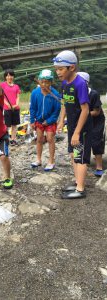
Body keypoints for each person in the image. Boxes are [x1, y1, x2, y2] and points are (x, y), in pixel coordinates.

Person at [54, 50, 92, 199]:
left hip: (81, 128)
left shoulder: (80, 83)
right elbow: (64, 103)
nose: (58, 72)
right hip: (71, 126)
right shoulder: (64, 83)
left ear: (72, 67)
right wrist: (60, 121)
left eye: (61, 69)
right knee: (72, 154)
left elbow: (85, 110)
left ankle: (81, 189)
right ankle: (77, 182)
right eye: (56, 69)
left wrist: (77, 132)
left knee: (80, 156)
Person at [30, 69, 61, 171]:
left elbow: (56, 111)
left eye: (47, 82)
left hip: (50, 121)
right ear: (39, 81)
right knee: (39, 139)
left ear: (51, 82)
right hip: (39, 120)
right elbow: (33, 108)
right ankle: (38, 159)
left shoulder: (55, 94)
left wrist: (49, 121)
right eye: (42, 81)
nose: (44, 84)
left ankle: (51, 161)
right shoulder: (35, 93)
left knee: (50, 139)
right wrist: (32, 120)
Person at [77, 72, 105, 177]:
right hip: (82, 121)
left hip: (96, 121)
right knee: (81, 142)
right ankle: (83, 162)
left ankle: (99, 166)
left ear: (86, 83)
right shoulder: (75, 93)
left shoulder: (93, 94)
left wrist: (83, 114)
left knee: (96, 141)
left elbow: (96, 112)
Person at [0, 69, 21, 145]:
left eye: (11, 75)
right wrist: (7, 104)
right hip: (7, 108)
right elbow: (1, 96)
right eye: (7, 75)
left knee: (14, 125)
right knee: (7, 124)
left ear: (13, 76)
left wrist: (16, 104)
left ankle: (13, 139)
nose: (9, 77)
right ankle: (6, 139)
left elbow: (18, 96)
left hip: (15, 108)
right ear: (5, 77)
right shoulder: (2, 85)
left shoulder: (16, 86)